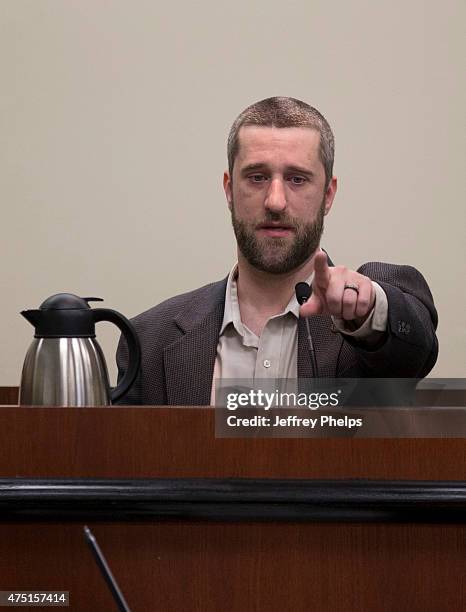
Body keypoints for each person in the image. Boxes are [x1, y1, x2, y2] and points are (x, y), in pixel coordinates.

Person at [116, 97, 438, 405]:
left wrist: (368, 311)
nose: (275, 201)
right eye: (257, 178)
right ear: (229, 190)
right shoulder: (148, 341)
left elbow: (415, 347)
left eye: (297, 179)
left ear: (328, 195)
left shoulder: (361, 319)